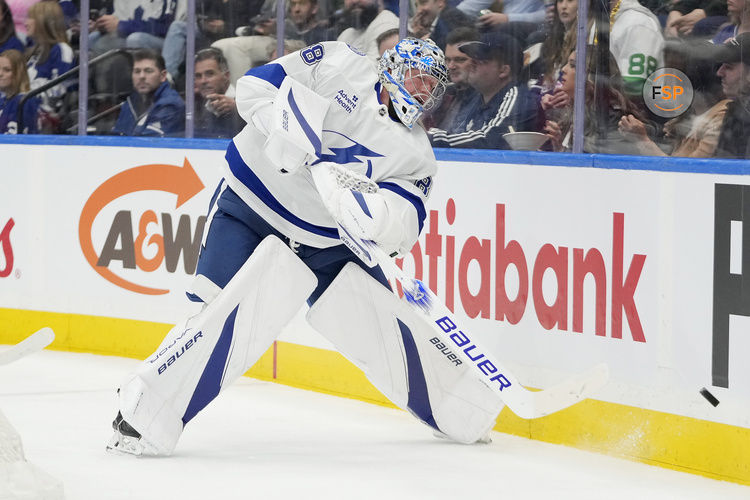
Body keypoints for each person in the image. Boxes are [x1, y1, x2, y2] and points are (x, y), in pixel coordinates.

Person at [105, 38, 502, 456]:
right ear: (391, 68)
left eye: (430, 87)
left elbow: (405, 223)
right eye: (416, 79)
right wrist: (283, 133)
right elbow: (256, 86)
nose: (420, 93)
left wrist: (371, 215)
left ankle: (460, 408)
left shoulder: (416, 154)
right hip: (252, 203)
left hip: (328, 240)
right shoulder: (340, 62)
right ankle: (143, 410)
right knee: (219, 309)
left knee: (378, 316)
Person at [428, 31, 541, 149]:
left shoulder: (516, 97)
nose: (471, 62)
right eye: (472, 57)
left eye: (481, 59)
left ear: (503, 71)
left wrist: (432, 137)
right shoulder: (478, 97)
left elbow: (489, 138)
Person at [543, 47, 645, 154]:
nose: (563, 69)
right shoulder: (572, 112)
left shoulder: (610, 119)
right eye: (567, 64)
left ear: (591, 77)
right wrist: (559, 145)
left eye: (573, 65)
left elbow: (598, 165)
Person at [112, 49, 185, 136]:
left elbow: (149, 144)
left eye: (148, 71)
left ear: (163, 76)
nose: (141, 76)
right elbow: (117, 135)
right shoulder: (130, 102)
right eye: (137, 71)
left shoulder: (171, 104)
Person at [422, 26, 478, 130]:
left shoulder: (485, 97)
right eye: (447, 60)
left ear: (478, 61)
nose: (451, 66)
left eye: (460, 60)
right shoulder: (443, 93)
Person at [25, 0, 75, 99]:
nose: (25, 23)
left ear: (43, 21)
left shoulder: (62, 49)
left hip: (42, 110)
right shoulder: (34, 51)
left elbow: (60, 89)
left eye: (30, 18)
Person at [193, 47, 243, 138]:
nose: (203, 81)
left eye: (209, 74)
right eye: (198, 76)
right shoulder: (194, 105)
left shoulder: (246, 103)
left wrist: (237, 109)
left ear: (226, 76)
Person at [714, 33, 750, 158]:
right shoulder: (737, 108)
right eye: (721, 66)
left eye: (728, 67)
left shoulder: (744, 113)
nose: (719, 73)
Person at [0, 48, 39, 133]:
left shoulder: (25, 101)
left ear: (19, 73)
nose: (0, 74)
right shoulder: (3, 100)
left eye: (7, 70)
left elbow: (14, 139)